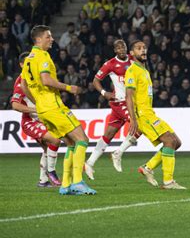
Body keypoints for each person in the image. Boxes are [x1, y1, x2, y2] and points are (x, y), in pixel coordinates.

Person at [21, 25, 96, 195]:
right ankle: (77, 181)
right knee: (82, 139)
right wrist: (69, 88)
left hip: (43, 110)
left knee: (70, 143)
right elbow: (46, 80)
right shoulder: (43, 56)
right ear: (38, 39)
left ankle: (65, 185)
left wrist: (38, 102)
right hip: (53, 106)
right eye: (48, 36)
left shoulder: (28, 60)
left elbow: (24, 86)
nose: (52, 39)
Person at [125, 40, 185, 189]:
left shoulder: (144, 70)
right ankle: (168, 182)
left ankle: (148, 167)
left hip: (150, 113)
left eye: (144, 47)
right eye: (138, 48)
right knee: (169, 141)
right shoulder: (132, 71)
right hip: (143, 115)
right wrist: (133, 119)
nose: (143, 50)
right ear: (132, 54)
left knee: (176, 142)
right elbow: (128, 96)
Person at [85, 40, 141, 179]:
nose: (122, 49)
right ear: (115, 50)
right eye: (118, 47)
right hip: (121, 102)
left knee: (108, 134)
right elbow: (95, 80)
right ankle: (118, 152)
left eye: (124, 46)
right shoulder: (110, 64)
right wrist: (104, 93)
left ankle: (89, 163)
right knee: (140, 126)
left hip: (126, 103)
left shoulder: (133, 60)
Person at [11, 52, 61, 187]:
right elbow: (15, 105)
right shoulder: (21, 82)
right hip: (31, 122)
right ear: (22, 65)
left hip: (44, 119)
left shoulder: (38, 77)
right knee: (55, 140)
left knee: (47, 149)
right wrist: (37, 110)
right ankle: (51, 171)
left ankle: (43, 181)